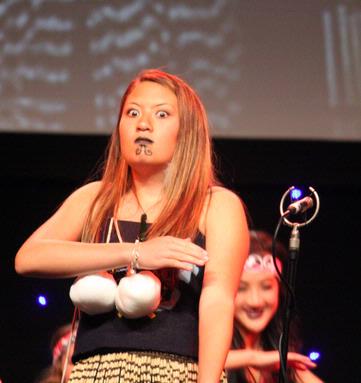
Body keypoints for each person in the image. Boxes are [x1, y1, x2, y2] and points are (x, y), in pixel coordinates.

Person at [15, 69, 249, 383]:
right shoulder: (95, 199)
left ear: (188, 132)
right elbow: (29, 258)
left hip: (176, 370)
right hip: (95, 372)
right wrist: (136, 253)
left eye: (162, 114)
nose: (143, 124)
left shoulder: (215, 205)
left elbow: (218, 299)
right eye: (132, 112)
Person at [226, 230, 324, 383]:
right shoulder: (198, 347)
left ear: (280, 290)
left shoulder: (278, 359)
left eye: (266, 287)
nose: (255, 301)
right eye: (241, 288)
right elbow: (199, 361)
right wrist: (253, 358)